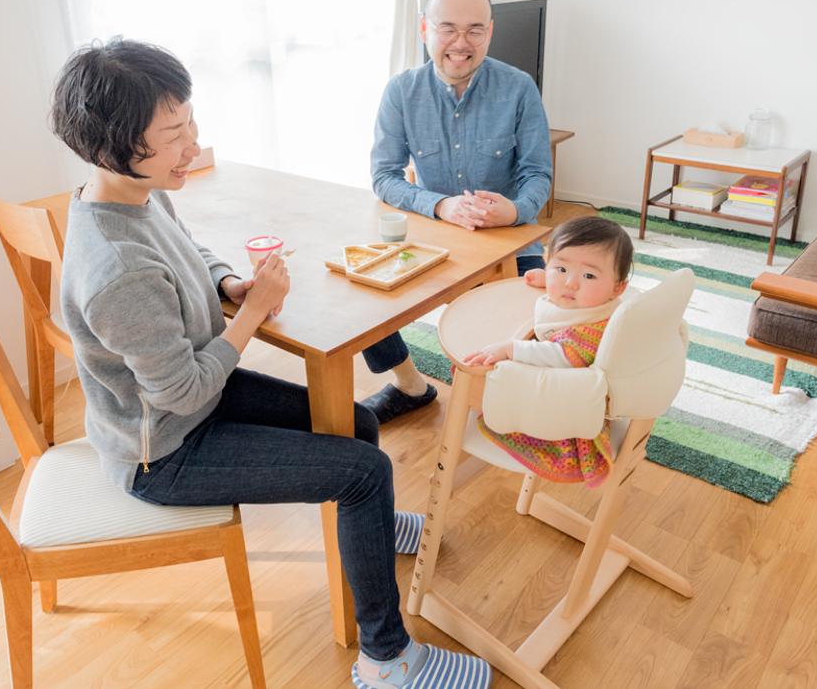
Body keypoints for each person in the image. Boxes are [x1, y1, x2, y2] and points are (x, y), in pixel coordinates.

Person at [51, 39, 491, 689]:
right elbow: (180, 389)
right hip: (164, 449)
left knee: (354, 424)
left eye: (190, 123)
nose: (192, 145)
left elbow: (190, 252)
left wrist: (228, 285)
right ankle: (386, 660)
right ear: (112, 148)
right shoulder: (114, 266)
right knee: (365, 471)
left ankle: (371, 533)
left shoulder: (130, 194)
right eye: (173, 134)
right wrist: (254, 311)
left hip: (191, 403)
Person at [361, 0, 554, 424]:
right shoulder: (401, 92)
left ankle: (513, 397)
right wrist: (440, 205)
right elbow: (384, 176)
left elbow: (537, 174)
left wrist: (517, 210)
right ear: (425, 28)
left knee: (550, 315)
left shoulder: (519, 87)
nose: (460, 43)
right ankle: (411, 385)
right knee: (364, 297)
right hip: (435, 243)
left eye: (475, 30)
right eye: (448, 28)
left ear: (490, 32)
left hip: (510, 242)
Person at [462, 216, 634, 487]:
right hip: (567, 378)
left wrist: (511, 349)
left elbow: (563, 355)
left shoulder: (593, 329)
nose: (570, 284)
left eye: (588, 275)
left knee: (471, 375)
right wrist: (548, 279)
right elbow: (570, 282)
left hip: (566, 406)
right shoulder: (590, 300)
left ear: (617, 288)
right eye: (560, 269)